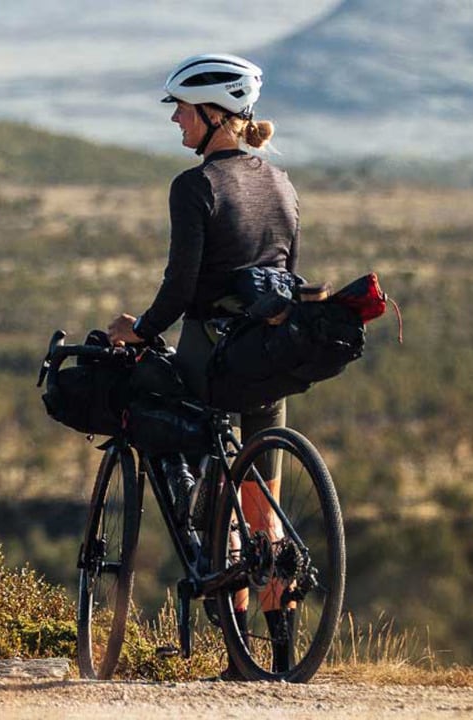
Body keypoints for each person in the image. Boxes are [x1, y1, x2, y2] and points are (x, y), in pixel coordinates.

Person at [106, 53, 299, 678]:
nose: (177, 123)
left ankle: (238, 650)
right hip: (271, 353)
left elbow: (181, 285)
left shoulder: (194, 187)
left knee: (214, 496)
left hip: (212, 353)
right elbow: (286, 276)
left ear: (217, 117)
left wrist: (140, 330)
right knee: (261, 495)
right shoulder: (282, 182)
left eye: (184, 112)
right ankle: (284, 650)